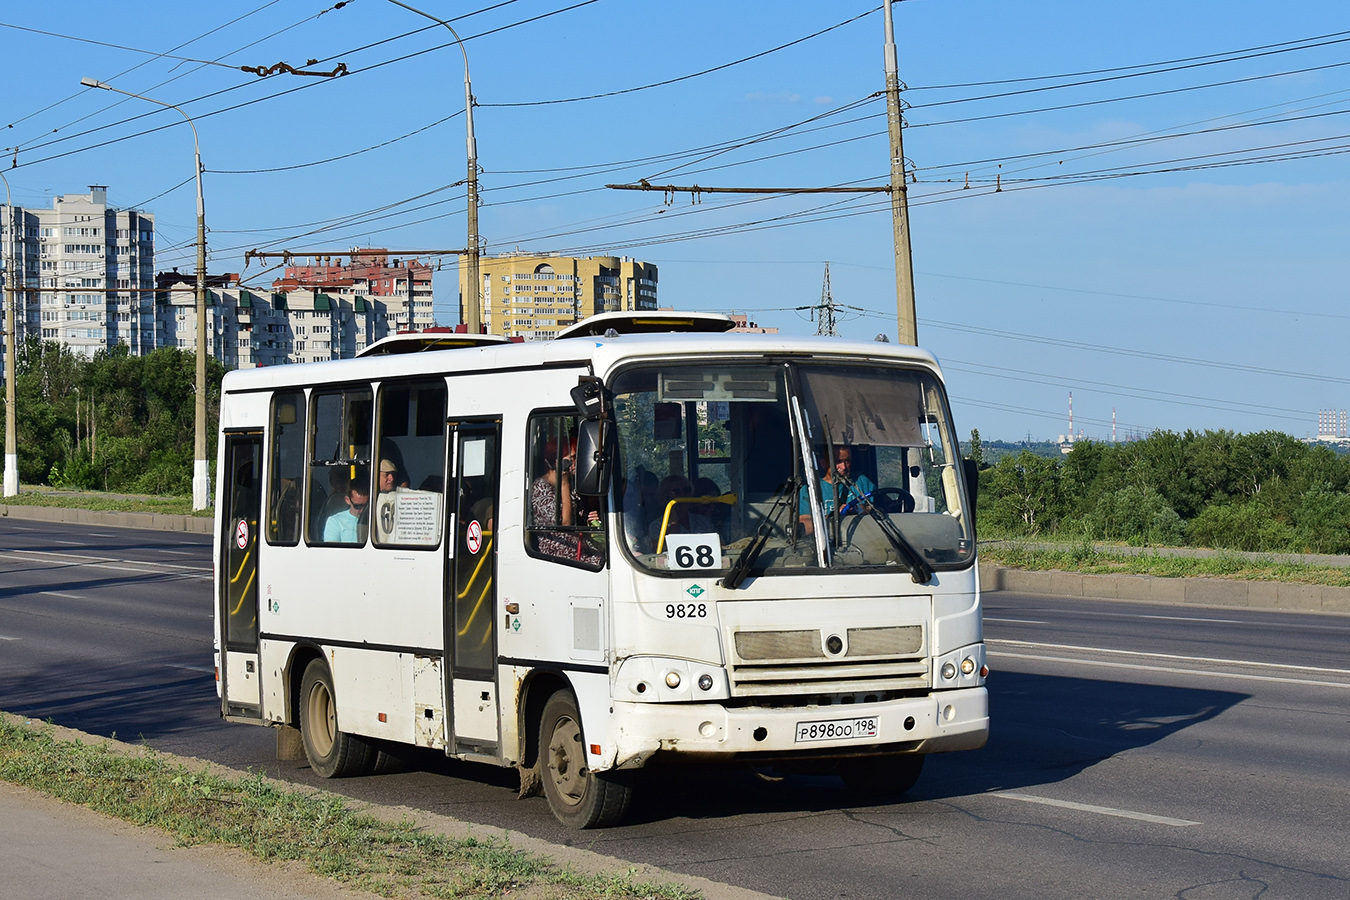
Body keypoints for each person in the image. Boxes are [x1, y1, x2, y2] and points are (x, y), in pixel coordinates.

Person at [530, 437, 602, 565]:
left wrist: (590, 521)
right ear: (557, 462)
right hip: (560, 554)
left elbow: (577, 518)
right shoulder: (540, 488)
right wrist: (564, 484)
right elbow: (565, 523)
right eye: (572, 458)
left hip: (580, 548)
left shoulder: (572, 485)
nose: (575, 463)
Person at [798, 446, 875, 536]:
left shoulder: (860, 481)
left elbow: (880, 506)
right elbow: (804, 524)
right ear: (823, 463)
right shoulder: (810, 490)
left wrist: (858, 509)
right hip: (830, 543)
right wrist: (833, 517)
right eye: (838, 462)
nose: (844, 467)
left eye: (847, 461)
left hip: (865, 537)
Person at [647, 475, 714, 549]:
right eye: (676, 492)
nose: (683, 495)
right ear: (666, 496)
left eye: (686, 490)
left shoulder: (704, 521)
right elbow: (660, 550)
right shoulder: (657, 526)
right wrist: (674, 523)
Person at [324, 469, 370, 544]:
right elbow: (332, 552)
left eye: (366, 506)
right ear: (347, 500)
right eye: (357, 506)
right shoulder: (335, 522)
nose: (362, 510)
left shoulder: (375, 520)